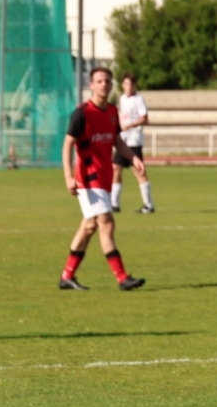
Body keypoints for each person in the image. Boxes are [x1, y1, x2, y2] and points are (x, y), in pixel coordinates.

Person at [60, 67, 146, 291]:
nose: (104, 85)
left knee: (89, 226)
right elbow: (67, 144)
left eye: (107, 81)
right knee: (107, 223)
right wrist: (68, 177)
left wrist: (133, 158)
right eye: (99, 81)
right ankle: (122, 277)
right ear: (91, 85)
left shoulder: (111, 111)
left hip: (104, 178)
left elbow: (116, 140)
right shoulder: (82, 113)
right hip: (88, 179)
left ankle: (67, 276)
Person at [113, 72, 156, 213]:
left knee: (138, 171)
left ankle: (148, 204)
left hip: (134, 139)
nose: (128, 87)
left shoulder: (138, 99)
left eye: (131, 84)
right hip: (122, 139)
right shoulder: (122, 98)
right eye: (126, 84)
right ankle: (114, 204)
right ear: (122, 85)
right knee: (116, 168)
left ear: (134, 85)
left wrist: (130, 125)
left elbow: (145, 118)